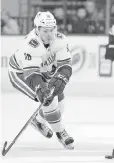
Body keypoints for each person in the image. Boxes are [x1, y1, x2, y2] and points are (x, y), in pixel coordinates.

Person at [8, 11, 74, 149]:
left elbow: (65, 65)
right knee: (48, 100)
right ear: (37, 30)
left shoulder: (60, 40)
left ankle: (38, 121)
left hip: (43, 73)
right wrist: (40, 88)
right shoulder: (30, 44)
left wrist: (62, 77)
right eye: (45, 31)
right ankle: (61, 132)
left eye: (52, 30)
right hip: (21, 74)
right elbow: (32, 74)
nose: (50, 34)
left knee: (60, 106)